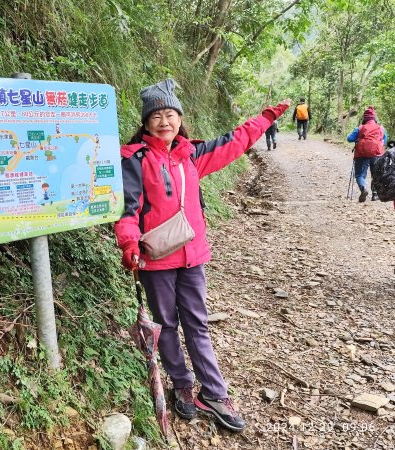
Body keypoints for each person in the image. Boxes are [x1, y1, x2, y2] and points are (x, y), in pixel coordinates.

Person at [115, 78, 290, 432]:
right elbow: (127, 209)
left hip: (192, 257)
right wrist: (129, 244)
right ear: (146, 123)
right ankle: (180, 382)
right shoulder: (135, 159)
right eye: (157, 116)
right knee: (164, 325)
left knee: (197, 324)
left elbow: (236, 141)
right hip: (157, 259)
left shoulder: (191, 155)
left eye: (170, 114)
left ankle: (212, 393)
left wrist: (266, 118)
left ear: (180, 118)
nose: (165, 122)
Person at [347, 106, 388, 202]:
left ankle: (363, 188)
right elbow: (384, 141)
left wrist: (358, 138)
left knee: (360, 175)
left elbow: (349, 139)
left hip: (361, 154)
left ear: (364, 118)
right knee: (376, 174)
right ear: (374, 118)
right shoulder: (381, 129)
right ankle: (375, 195)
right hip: (377, 154)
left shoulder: (360, 128)